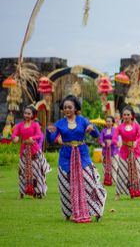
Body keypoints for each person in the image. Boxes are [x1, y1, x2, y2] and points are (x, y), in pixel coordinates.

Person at [47, 95, 106, 223]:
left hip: (82, 155)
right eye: (65, 107)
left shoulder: (82, 120)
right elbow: (51, 140)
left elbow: (96, 134)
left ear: (75, 109)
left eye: (70, 107)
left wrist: (92, 128)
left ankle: (96, 209)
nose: (67, 109)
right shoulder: (59, 123)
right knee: (66, 186)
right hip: (66, 157)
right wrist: (49, 131)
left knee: (91, 181)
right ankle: (69, 213)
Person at [11, 105, 51, 198]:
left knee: (37, 172)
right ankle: (21, 193)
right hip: (24, 152)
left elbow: (39, 135)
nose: (26, 115)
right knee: (22, 172)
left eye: (29, 113)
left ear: (33, 115)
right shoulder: (20, 125)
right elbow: (14, 134)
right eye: (25, 113)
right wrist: (15, 138)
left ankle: (39, 192)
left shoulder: (35, 124)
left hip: (34, 152)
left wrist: (31, 138)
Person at [114, 106, 140, 200]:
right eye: (124, 114)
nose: (126, 116)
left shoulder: (136, 126)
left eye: (128, 114)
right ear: (122, 116)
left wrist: (136, 142)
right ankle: (118, 193)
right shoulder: (120, 127)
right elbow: (114, 137)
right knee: (122, 172)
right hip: (124, 153)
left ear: (132, 115)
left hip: (136, 151)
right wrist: (116, 142)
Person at [99, 115, 119, 186]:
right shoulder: (103, 130)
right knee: (104, 166)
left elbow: (116, 139)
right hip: (105, 151)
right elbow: (101, 139)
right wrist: (102, 143)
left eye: (109, 121)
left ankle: (115, 180)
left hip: (114, 151)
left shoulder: (115, 130)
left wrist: (112, 142)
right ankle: (106, 180)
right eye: (106, 121)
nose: (107, 123)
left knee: (114, 166)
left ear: (112, 122)